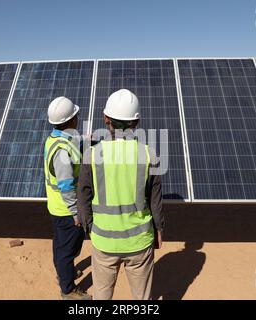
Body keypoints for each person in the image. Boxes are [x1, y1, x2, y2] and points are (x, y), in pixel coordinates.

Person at [77, 89, 164, 300]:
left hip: (104, 241)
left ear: (106, 118)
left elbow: (83, 196)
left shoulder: (92, 154)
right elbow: (155, 199)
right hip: (139, 242)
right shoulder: (148, 154)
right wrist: (159, 228)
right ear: (137, 122)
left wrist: (90, 227)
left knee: (102, 295)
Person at [44, 96, 91, 300]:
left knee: (61, 245)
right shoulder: (62, 151)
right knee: (67, 249)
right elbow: (65, 185)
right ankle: (68, 290)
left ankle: (66, 274)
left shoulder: (55, 139)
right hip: (66, 210)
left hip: (56, 207)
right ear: (71, 120)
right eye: (76, 116)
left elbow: (71, 145)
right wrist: (75, 213)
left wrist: (88, 140)